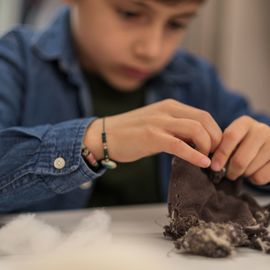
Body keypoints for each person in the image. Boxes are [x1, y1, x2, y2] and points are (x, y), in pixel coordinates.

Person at [0, 0, 269, 213]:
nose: (151, 49)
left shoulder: (196, 80)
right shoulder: (14, 61)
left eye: (176, 24)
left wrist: (261, 153)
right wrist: (95, 139)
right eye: (130, 13)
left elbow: (257, 143)